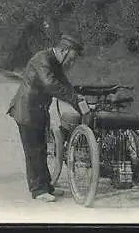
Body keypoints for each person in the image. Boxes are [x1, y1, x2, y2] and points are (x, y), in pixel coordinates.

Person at [7, 34, 87, 203]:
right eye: (71, 59)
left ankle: (46, 186)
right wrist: (74, 99)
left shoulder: (56, 64)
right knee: (33, 151)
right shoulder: (43, 59)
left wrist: (81, 105)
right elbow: (51, 84)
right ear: (63, 50)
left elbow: (65, 86)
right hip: (27, 110)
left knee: (41, 149)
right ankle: (38, 189)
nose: (71, 64)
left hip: (39, 110)